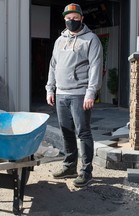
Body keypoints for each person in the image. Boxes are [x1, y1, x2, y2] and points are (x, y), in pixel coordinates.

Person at [45, 3, 103, 187]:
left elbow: (95, 66)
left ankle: (86, 171)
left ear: (81, 18)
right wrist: (50, 88)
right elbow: (53, 66)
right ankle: (69, 166)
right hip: (61, 93)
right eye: (68, 18)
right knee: (66, 132)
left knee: (83, 132)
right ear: (64, 19)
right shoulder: (59, 41)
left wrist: (90, 93)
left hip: (80, 94)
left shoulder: (91, 39)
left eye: (75, 18)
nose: (71, 21)